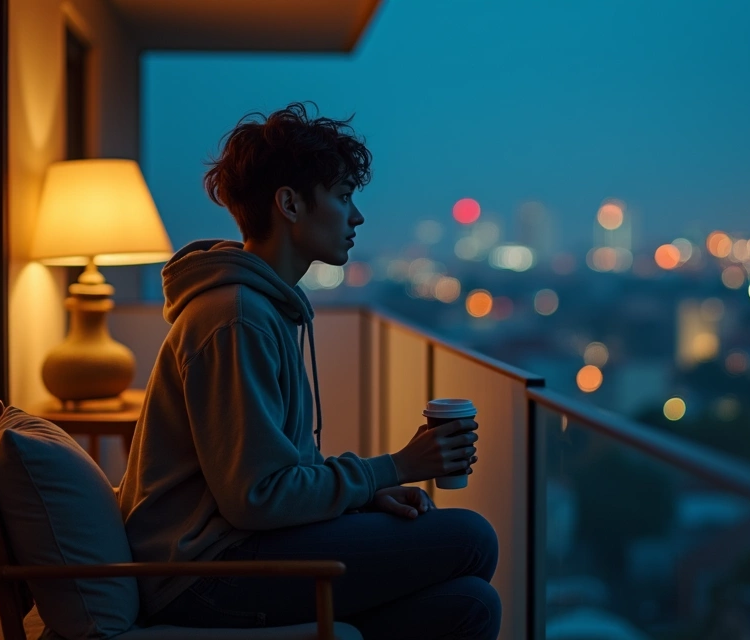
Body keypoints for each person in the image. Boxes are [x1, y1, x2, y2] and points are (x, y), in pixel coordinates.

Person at [117, 102, 501, 640]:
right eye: (343, 198)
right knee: (470, 538)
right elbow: (258, 498)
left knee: (471, 604)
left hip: (233, 550)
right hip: (200, 575)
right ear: (290, 204)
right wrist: (393, 468)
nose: (357, 217)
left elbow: (270, 472)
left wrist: (366, 494)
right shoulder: (237, 318)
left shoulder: (264, 308)